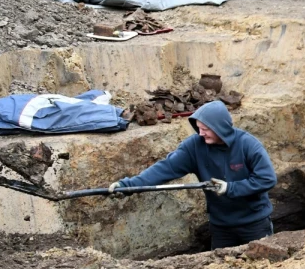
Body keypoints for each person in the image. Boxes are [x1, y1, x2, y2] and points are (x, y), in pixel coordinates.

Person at [110, 100, 277, 249]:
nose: (201, 133)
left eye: (205, 129)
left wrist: (230, 188)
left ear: (220, 127)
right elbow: (165, 168)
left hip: (254, 224)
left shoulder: (247, 145)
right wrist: (128, 186)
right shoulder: (195, 147)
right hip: (221, 227)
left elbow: (267, 179)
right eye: (199, 128)